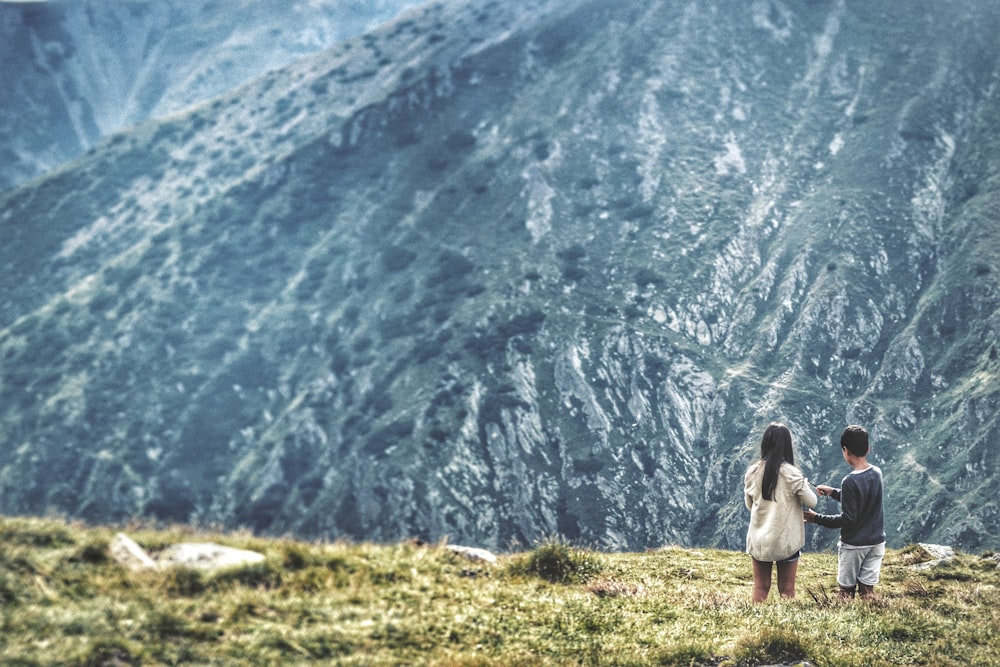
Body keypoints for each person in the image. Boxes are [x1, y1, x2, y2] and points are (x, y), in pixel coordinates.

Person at [804, 424, 885, 599]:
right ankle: (870, 620)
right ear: (868, 449)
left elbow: (848, 519)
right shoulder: (876, 473)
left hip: (854, 545)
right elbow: (862, 499)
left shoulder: (849, 481)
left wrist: (815, 518)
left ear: (845, 451)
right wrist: (833, 492)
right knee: (867, 590)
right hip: (877, 542)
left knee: (846, 591)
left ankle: (845, 623)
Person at [744, 422, 818, 603]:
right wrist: (804, 484)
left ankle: (755, 622)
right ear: (787, 445)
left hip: (760, 540)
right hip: (785, 541)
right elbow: (812, 502)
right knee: (786, 589)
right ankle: (787, 626)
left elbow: (749, 505)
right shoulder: (792, 474)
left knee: (760, 587)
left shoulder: (752, 472)